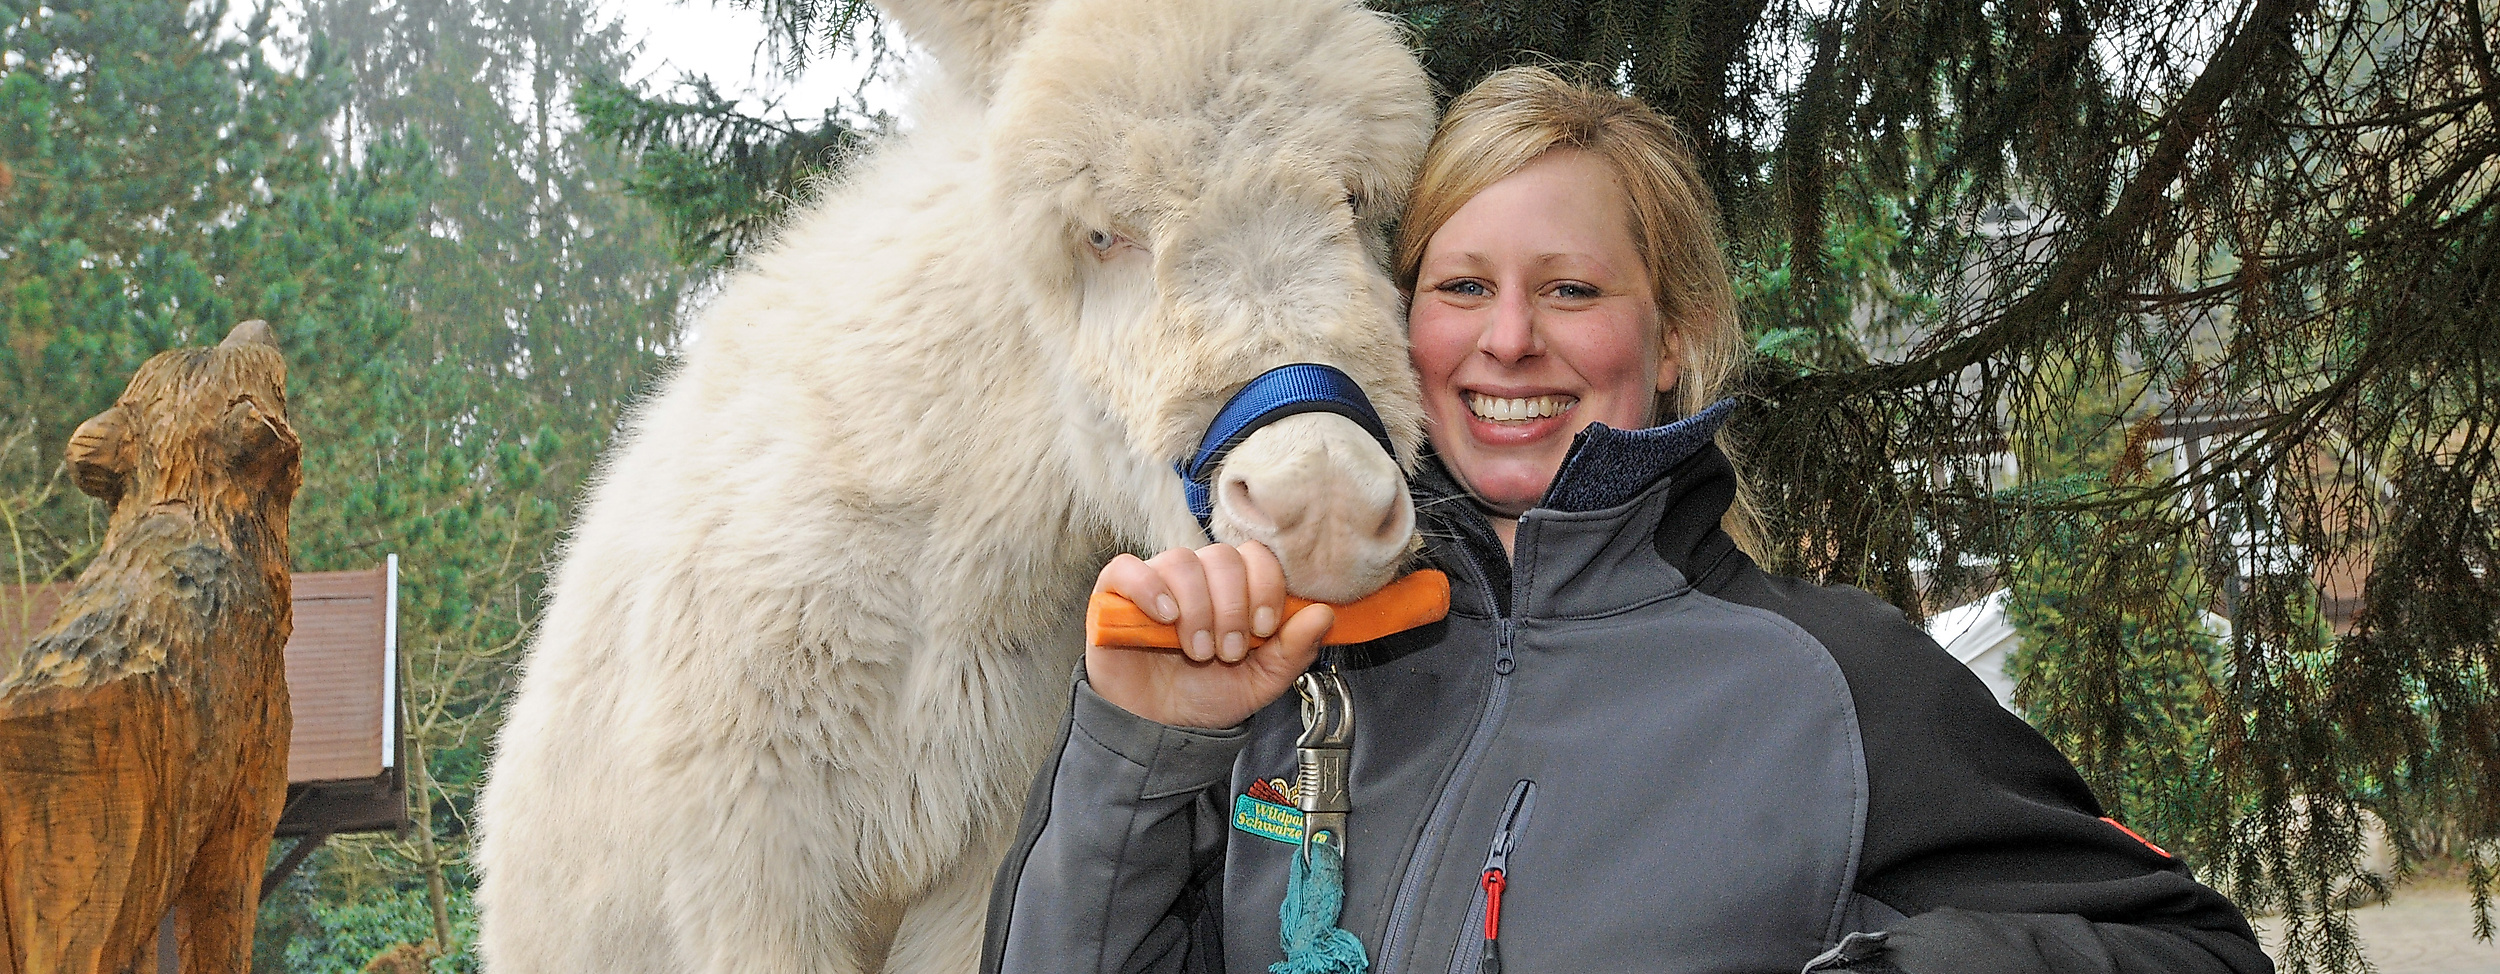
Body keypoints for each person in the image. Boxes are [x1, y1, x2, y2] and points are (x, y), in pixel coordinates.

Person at [980, 66, 2272, 974]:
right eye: (1461, 284)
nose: (1508, 338)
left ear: (1675, 337)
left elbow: (2190, 951)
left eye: (1571, 289)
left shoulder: (1829, 680)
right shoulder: (1270, 662)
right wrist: (1141, 749)